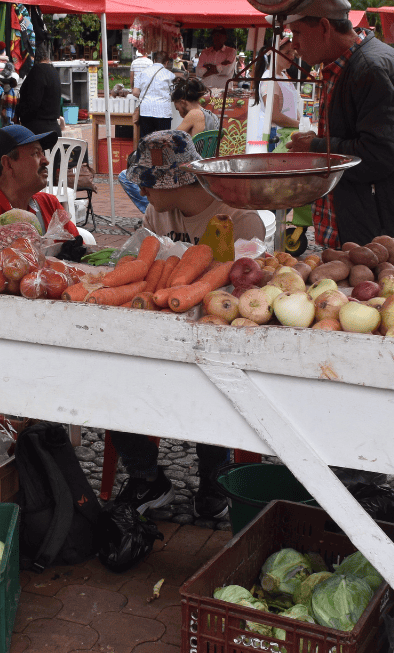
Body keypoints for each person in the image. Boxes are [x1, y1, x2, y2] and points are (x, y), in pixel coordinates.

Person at [110, 130, 265, 519]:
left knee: (218, 386)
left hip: (216, 342)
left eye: (147, 181)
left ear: (173, 181)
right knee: (108, 377)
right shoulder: (157, 212)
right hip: (158, 334)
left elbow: (248, 297)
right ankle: (146, 477)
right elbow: (146, 267)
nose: (142, 189)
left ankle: (215, 476)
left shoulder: (240, 219)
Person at [285, 0, 394, 247]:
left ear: (325, 27)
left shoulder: (370, 68)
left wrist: (316, 147)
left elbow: (381, 154)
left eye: (297, 32)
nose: (294, 44)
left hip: (375, 227)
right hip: (360, 218)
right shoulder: (349, 64)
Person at [0, 124, 79, 238]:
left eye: (43, 153)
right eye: (36, 153)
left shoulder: (50, 204)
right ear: (8, 164)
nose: (46, 161)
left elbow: (80, 249)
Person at [118, 77, 220, 212]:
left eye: (177, 108)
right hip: (203, 168)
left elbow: (168, 140)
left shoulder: (194, 114)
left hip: (188, 171)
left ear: (182, 102)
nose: (179, 112)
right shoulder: (213, 116)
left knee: (124, 176)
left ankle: (151, 210)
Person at [13, 42, 62, 142]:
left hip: (38, 133)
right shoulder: (53, 71)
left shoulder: (37, 71)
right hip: (54, 130)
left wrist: (17, 110)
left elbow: (32, 103)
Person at [132, 51, 183, 137]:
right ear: (166, 62)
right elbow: (173, 93)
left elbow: (135, 92)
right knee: (163, 140)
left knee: (146, 140)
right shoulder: (170, 75)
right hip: (163, 111)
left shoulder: (142, 73)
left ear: (154, 60)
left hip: (146, 110)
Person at [263, 37, 301, 150]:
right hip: (275, 137)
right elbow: (274, 115)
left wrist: (300, 121)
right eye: (287, 53)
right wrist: (299, 124)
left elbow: (292, 106)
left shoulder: (283, 76)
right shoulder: (269, 79)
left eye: (292, 53)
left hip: (287, 135)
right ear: (274, 53)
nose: (292, 56)